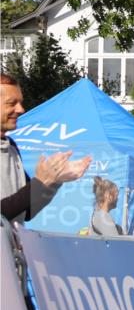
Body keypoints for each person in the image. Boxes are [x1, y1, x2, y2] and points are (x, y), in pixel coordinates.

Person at [1, 73, 91, 222]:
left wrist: (54, 181)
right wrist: (41, 183)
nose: (21, 109)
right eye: (12, 103)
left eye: (20, 102)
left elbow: (26, 211)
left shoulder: (11, 147)